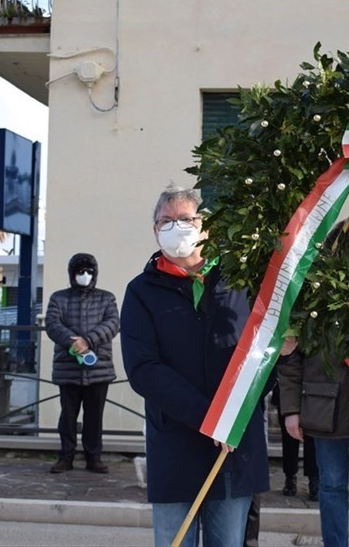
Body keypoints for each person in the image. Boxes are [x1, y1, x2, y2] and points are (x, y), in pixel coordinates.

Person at [120, 184, 270, 547]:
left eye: (185, 219)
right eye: (166, 221)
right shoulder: (142, 291)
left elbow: (263, 357)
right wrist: (208, 417)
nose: (176, 227)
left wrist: (280, 356)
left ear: (206, 227)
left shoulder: (242, 282)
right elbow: (143, 369)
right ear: (155, 231)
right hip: (176, 444)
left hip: (233, 448)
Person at [278, 220, 349, 547]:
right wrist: (290, 409)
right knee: (331, 485)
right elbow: (291, 359)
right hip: (323, 408)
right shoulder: (310, 296)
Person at [45, 253, 119, 474]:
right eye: (80, 272)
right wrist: (73, 342)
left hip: (99, 369)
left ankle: (93, 457)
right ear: (72, 274)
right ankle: (65, 456)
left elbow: (113, 323)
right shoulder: (58, 298)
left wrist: (88, 341)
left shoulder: (107, 298)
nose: (85, 276)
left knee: (94, 416)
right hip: (68, 368)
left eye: (89, 272)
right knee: (67, 415)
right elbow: (52, 324)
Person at [272, 381, 319, 501]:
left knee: (312, 438)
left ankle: (313, 479)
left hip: (313, 389)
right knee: (288, 439)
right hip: (286, 388)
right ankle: (290, 476)